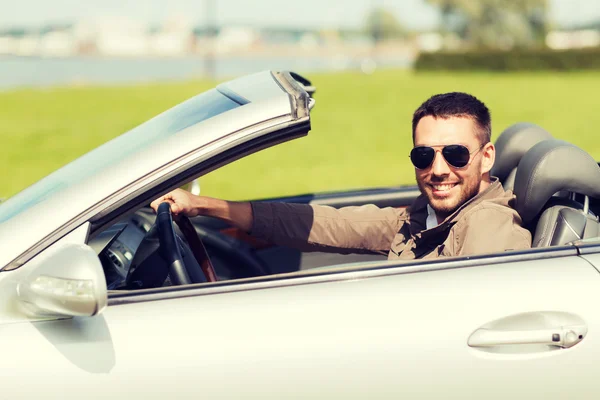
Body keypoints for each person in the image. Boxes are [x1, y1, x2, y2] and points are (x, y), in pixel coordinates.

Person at [151, 92, 531, 260]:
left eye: (456, 154)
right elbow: (334, 224)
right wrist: (204, 205)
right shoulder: (426, 218)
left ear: (486, 158)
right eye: (423, 155)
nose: (438, 170)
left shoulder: (488, 226)